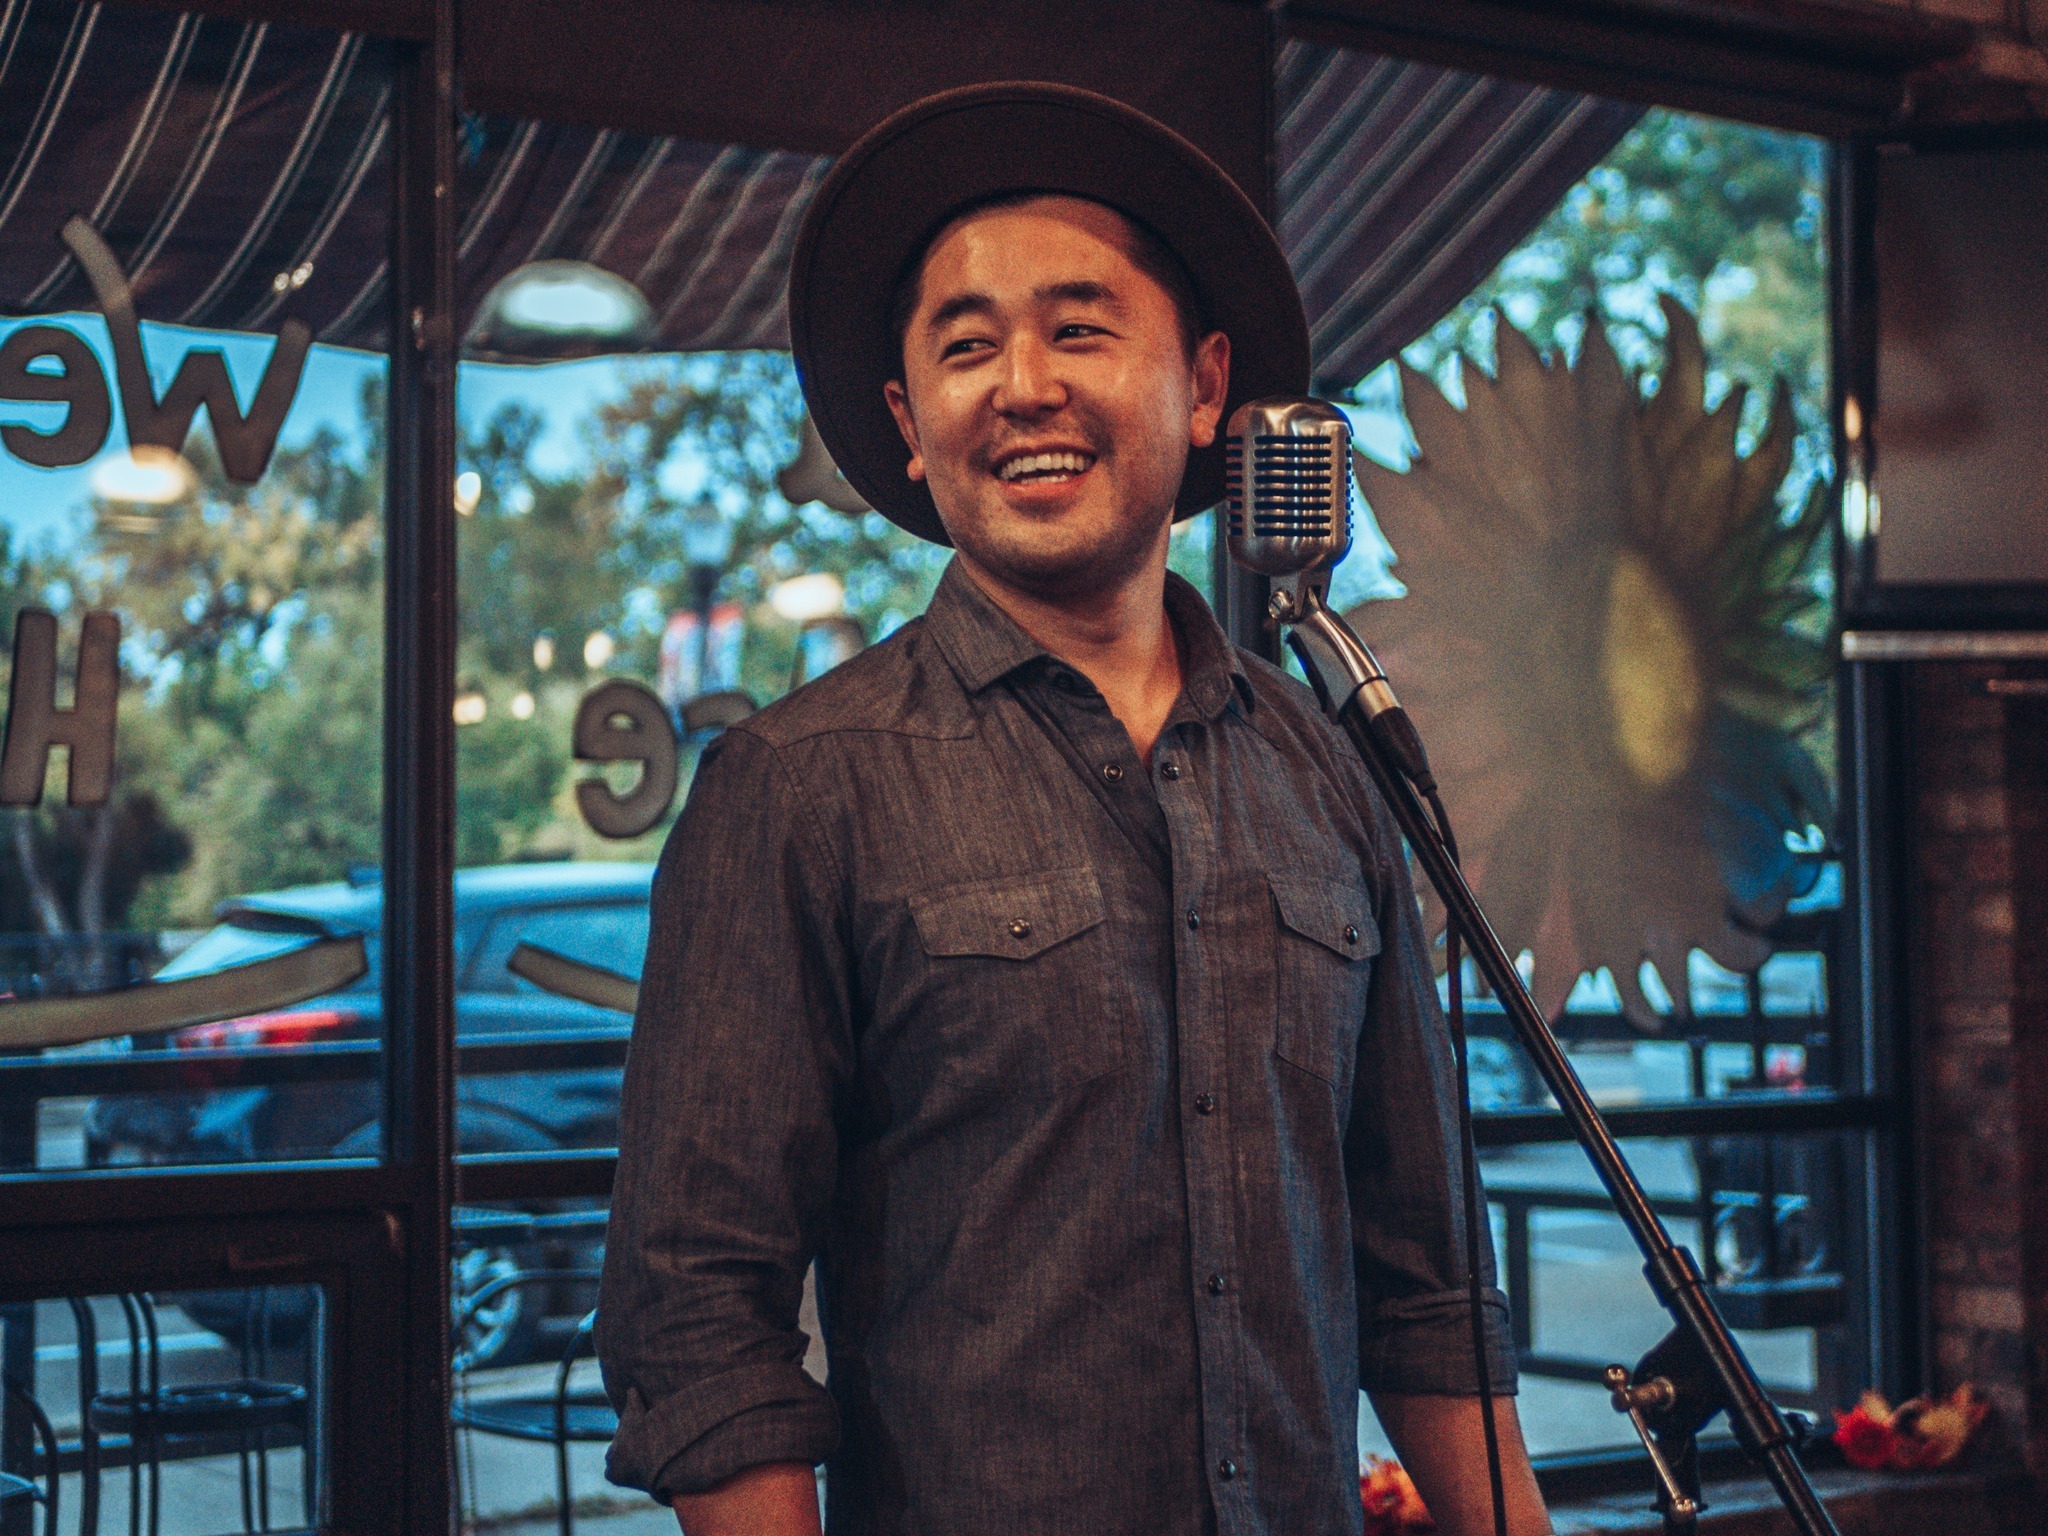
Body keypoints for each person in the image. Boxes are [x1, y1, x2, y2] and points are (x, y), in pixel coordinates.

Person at [596, 82, 1552, 1536]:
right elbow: (698, 1314)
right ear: (909, 424)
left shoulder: (1327, 772)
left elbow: (1426, 1283)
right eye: (966, 347)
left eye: (1080, 330)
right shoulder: (799, 787)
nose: (1023, 386)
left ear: (1207, 386)